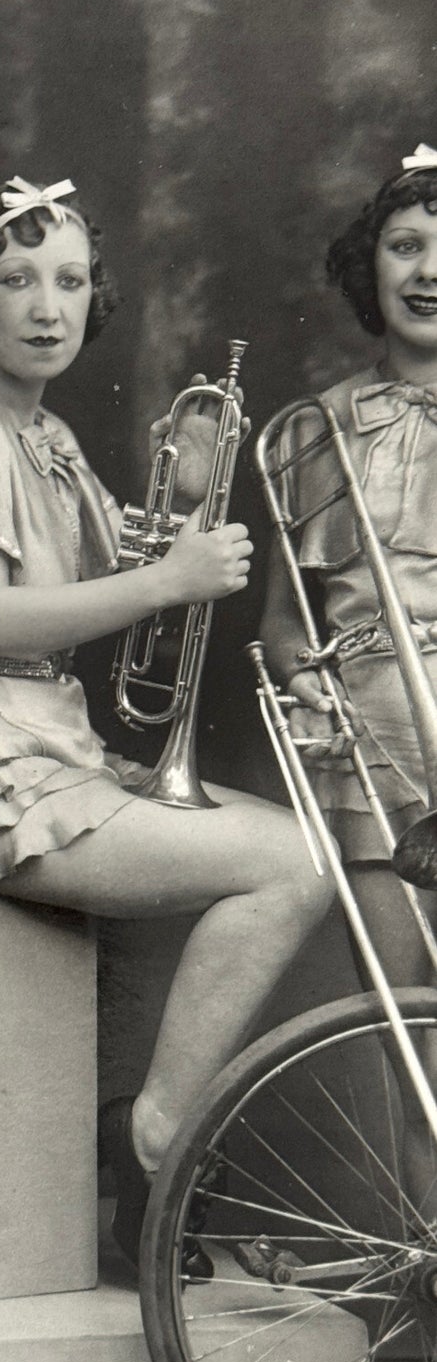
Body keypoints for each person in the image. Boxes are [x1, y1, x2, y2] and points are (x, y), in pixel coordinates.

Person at [0, 176, 335, 1270]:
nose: (48, 305)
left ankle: (133, 1145)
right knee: (293, 867)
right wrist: (165, 577)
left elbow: (106, 569)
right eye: (16, 278)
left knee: (284, 846)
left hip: (47, 740)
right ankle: (156, 1141)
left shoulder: (40, 432)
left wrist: (178, 501)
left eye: (72, 281)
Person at [260, 143, 437, 1184]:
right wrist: (304, 679)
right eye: (402, 245)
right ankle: (428, 1319)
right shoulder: (313, 427)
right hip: (370, 738)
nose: (425, 269)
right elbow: (287, 617)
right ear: (365, 268)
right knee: (411, 1043)